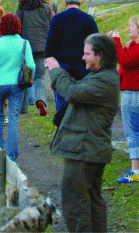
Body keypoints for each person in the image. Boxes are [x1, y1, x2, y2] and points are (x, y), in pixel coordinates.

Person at [44, 33, 119, 232]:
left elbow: (73, 93)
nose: (83, 58)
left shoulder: (105, 81)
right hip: (87, 148)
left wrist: (56, 70)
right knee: (92, 201)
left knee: (75, 204)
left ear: (100, 56)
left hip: (84, 149)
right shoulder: (102, 77)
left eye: (87, 54)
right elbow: (77, 89)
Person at [0, 13, 35, 161]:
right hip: (17, 84)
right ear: (18, 26)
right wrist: (31, 91)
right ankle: (11, 156)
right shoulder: (24, 43)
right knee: (13, 118)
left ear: (2, 27)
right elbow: (31, 65)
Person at [109, 15, 139, 183]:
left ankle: (136, 171)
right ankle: (136, 170)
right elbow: (122, 60)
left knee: (132, 132)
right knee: (132, 131)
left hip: (132, 94)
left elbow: (124, 60)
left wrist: (116, 41)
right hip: (131, 92)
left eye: (131, 26)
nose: (128, 29)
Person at [45, 0, 98, 111]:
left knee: (62, 98)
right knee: (83, 98)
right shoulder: (88, 19)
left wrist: (50, 62)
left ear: (65, 3)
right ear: (80, 3)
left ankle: (63, 124)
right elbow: (96, 43)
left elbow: (50, 44)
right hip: (83, 65)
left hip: (62, 65)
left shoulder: (57, 19)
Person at [16, 0, 54, 116]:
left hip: (26, 49)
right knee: (39, 78)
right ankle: (41, 101)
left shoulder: (21, 9)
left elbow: (17, 29)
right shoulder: (46, 9)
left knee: (25, 78)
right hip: (42, 49)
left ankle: (23, 108)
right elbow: (53, 27)